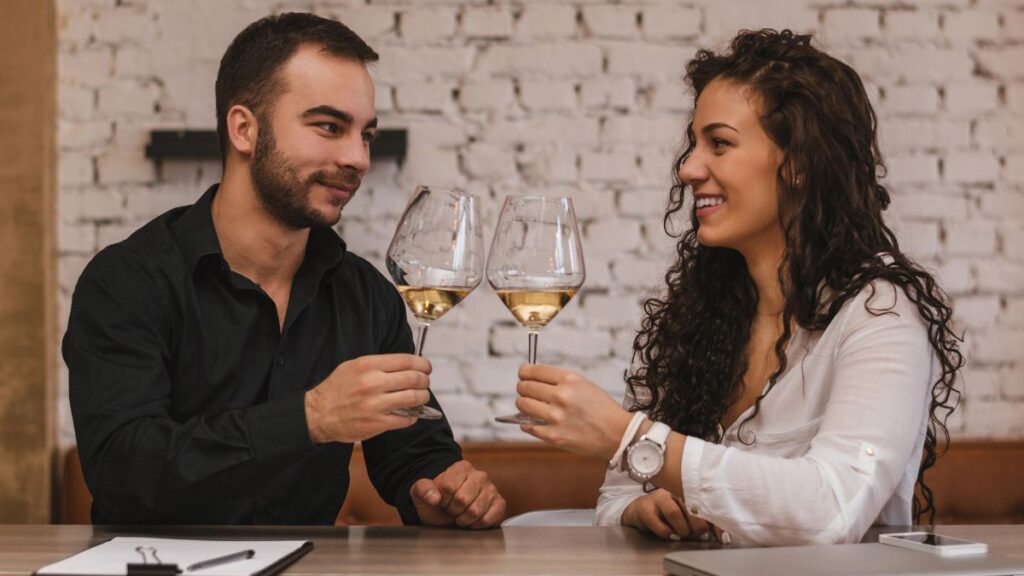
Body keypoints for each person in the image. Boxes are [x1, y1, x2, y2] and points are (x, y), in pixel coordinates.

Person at [512, 29, 963, 546]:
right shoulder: (705, 313)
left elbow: (831, 509)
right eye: (694, 144)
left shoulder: (880, 316)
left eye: (720, 144)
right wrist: (642, 507)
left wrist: (629, 437)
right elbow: (615, 496)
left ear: (798, 162)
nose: (687, 168)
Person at [64, 13, 505, 527]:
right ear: (244, 129)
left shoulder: (366, 295)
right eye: (329, 127)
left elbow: (413, 455)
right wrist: (311, 418)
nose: (357, 157)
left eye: (366, 134)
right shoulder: (128, 281)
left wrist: (444, 489)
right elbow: (125, 472)